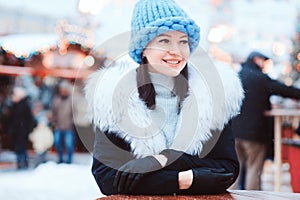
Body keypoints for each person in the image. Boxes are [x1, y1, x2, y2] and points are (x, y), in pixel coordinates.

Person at [85, 0, 244, 195]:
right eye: (164, 41)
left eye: (183, 41)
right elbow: (108, 179)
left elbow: (226, 170)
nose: (176, 51)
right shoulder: (114, 98)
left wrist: (163, 159)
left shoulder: (212, 96)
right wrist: (183, 179)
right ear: (143, 48)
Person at [231, 51, 300, 190]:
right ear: (257, 60)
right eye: (264, 61)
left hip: (234, 132)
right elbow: (284, 90)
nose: (265, 65)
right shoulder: (260, 78)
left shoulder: (236, 76)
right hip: (254, 133)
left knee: (234, 171)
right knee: (253, 170)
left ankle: (228, 198)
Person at [8, 86, 35, 169]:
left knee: (21, 148)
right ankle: (21, 163)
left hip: (22, 131)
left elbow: (29, 119)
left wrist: (28, 129)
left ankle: (23, 163)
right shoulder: (15, 106)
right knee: (20, 148)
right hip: (18, 131)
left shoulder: (24, 106)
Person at [51, 80, 75, 164]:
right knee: (57, 143)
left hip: (69, 127)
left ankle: (69, 160)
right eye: (62, 89)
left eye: (65, 89)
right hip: (58, 126)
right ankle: (60, 159)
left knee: (69, 144)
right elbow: (53, 112)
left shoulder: (71, 100)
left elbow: (75, 113)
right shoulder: (56, 100)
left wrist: (72, 123)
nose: (63, 91)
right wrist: (54, 122)